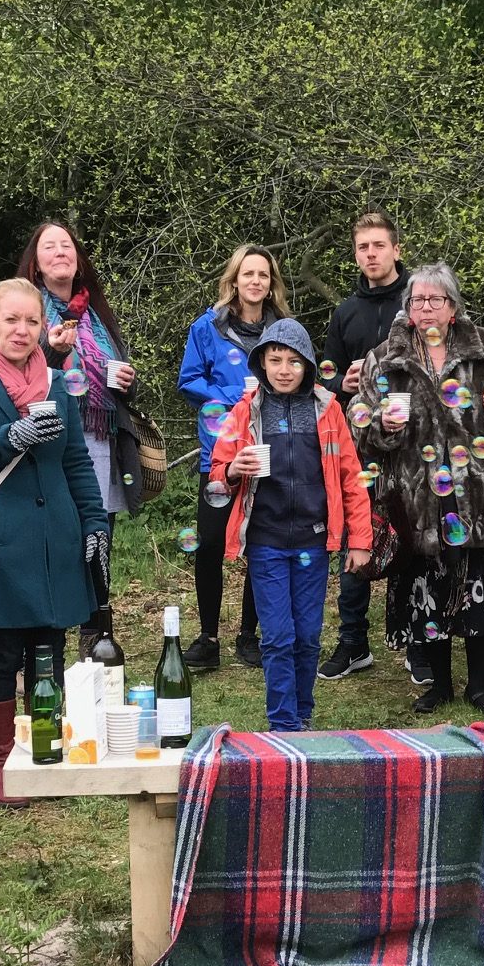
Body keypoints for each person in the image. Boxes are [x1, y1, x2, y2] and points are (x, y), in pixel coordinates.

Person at [0, 279, 108, 807]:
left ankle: (42, 748)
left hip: (56, 532)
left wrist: (95, 522)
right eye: (11, 319)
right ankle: (1, 758)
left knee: (48, 648)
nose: (22, 330)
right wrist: (3, 440)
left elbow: (76, 461)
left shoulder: (57, 384)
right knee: (2, 649)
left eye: (32, 321)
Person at [353, 263, 484, 716]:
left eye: (437, 300)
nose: (427, 308)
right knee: (424, 584)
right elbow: (360, 416)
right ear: (408, 309)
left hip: (480, 487)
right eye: (418, 301)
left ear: (453, 307)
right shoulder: (385, 357)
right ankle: (438, 685)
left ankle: (478, 685)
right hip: (416, 489)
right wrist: (381, 424)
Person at [207, 318, 372, 730]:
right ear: (261, 362)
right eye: (275, 359)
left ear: (309, 366)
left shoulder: (329, 410)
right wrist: (232, 470)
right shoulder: (244, 412)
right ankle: (283, 722)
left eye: (293, 361)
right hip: (266, 540)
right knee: (278, 636)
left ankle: (302, 715)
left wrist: (360, 540)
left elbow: (352, 479)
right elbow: (216, 474)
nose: (283, 369)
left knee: (308, 636)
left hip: (314, 542)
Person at [19, 221, 143, 661]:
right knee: (56, 539)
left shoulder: (95, 313)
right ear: (36, 261)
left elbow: (114, 375)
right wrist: (53, 352)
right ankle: (43, 643)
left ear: (78, 258)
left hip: (100, 441)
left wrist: (126, 381)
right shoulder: (27, 310)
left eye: (67, 246)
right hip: (52, 443)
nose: (60, 252)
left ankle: (96, 644)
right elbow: (21, 382)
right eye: (49, 246)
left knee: (99, 539)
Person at [178, 246, 290, 671]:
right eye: (248, 274)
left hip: (268, 447)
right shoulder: (206, 327)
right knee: (209, 543)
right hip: (220, 448)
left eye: (264, 274)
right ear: (235, 280)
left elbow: (297, 378)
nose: (256, 281)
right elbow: (188, 380)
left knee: (260, 541)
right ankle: (208, 638)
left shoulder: (283, 328)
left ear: (271, 283)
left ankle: (249, 635)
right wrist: (231, 398)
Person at [318, 209, 409, 682]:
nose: (370, 254)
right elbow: (324, 377)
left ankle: (418, 645)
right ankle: (353, 642)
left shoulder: (420, 302)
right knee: (356, 536)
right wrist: (342, 383)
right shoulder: (346, 312)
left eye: (378, 245)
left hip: (416, 446)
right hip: (359, 445)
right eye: (362, 247)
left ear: (396, 249)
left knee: (416, 540)